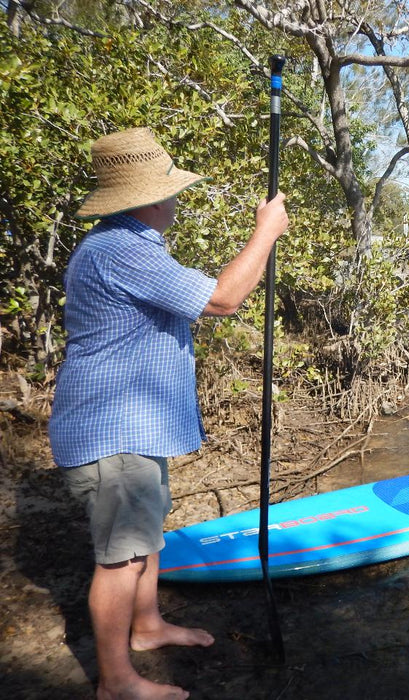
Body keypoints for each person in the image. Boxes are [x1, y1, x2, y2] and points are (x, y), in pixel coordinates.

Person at [48, 127, 289, 699]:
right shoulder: (121, 250)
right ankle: (116, 683)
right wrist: (266, 233)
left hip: (133, 425)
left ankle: (148, 626)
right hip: (112, 432)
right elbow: (222, 300)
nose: (177, 200)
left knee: (146, 538)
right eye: (172, 191)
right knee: (121, 559)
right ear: (151, 198)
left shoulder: (124, 245)